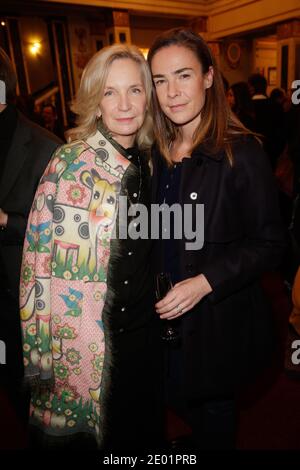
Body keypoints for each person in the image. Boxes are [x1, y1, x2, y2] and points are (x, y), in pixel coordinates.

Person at [147, 29, 286, 450]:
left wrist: (205, 281)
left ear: (209, 77)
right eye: (159, 80)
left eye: (183, 76)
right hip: (161, 319)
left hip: (216, 322)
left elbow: (271, 243)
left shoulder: (240, 152)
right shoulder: (154, 149)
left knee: (214, 417)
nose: (171, 93)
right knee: (175, 404)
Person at [19, 44, 162, 451]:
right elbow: (35, 265)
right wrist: (39, 358)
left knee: (139, 437)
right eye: (110, 91)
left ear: (147, 98)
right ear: (95, 102)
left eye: (134, 90)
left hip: (141, 337)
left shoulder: (152, 162)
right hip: (82, 345)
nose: (123, 104)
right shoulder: (67, 164)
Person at [0, 48, 62, 427]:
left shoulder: (47, 148)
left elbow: (62, 234)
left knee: (41, 408)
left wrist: (6, 220)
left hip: (27, 306)